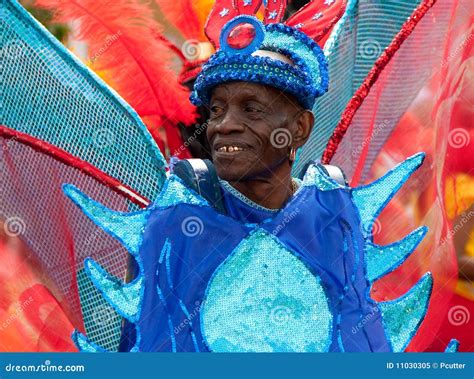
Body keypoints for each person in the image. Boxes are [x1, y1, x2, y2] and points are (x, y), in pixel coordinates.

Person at [63, 2, 450, 353]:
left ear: (299, 128)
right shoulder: (177, 223)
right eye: (216, 110)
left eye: (251, 109)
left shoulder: (333, 214)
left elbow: (359, 344)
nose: (224, 126)